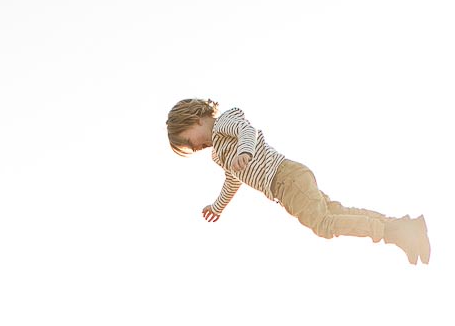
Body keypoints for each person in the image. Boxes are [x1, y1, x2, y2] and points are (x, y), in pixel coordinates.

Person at [166, 97, 431, 264]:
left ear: (195, 118)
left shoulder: (225, 121)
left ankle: (394, 234)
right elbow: (232, 181)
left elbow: (247, 130)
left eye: (191, 141)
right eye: (193, 149)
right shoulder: (220, 154)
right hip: (286, 184)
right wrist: (217, 206)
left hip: (285, 177)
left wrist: (244, 151)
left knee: (324, 224)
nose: (198, 147)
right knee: (336, 213)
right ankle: (406, 228)